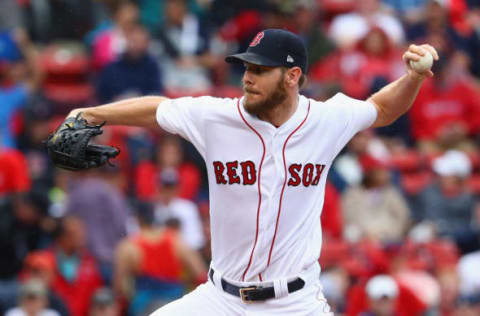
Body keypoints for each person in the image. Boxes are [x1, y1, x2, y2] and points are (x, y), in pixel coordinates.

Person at [62, 28, 438, 315]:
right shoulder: (217, 117)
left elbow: (382, 109)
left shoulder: (326, 119)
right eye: (246, 67)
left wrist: (413, 78)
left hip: (295, 302)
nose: (247, 78)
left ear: (292, 76)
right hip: (220, 299)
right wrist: (92, 114)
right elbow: (159, 109)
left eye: (260, 69)